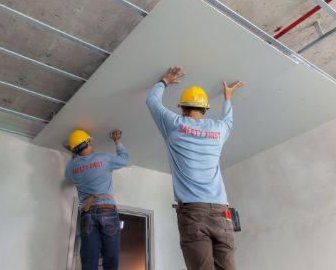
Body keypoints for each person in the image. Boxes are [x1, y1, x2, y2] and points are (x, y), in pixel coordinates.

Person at [146, 66, 245, 270]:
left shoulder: (174, 125)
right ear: (205, 109)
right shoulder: (218, 130)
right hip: (221, 212)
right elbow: (228, 120)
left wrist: (164, 80)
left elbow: (152, 101)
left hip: (193, 212)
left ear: (182, 108)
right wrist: (227, 97)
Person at [65, 129, 129, 270]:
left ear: (75, 149)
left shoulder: (71, 166)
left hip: (87, 213)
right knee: (111, 257)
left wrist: (74, 155)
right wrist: (117, 141)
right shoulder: (103, 158)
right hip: (107, 210)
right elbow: (124, 159)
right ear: (88, 142)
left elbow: (69, 177)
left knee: (89, 259)